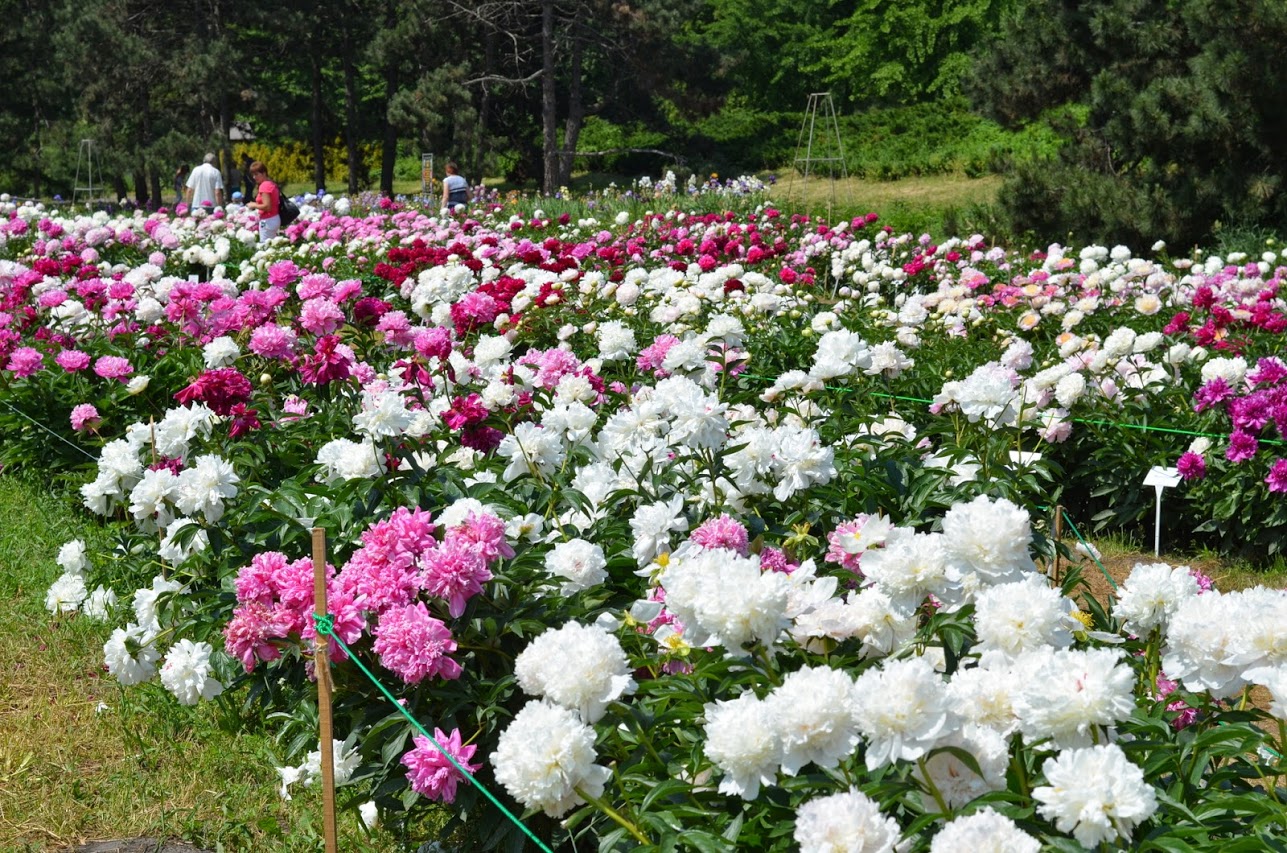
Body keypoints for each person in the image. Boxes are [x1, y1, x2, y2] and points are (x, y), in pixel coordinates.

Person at [244, 160, 280, 242]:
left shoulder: (264, 186)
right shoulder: (270, 183)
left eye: (256, 174)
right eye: (253, 175)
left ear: (264, 173)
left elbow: (267, 207)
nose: (254, 177)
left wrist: (254, 205)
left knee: (265, 246)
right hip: (274, 218)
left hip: (268, 220)